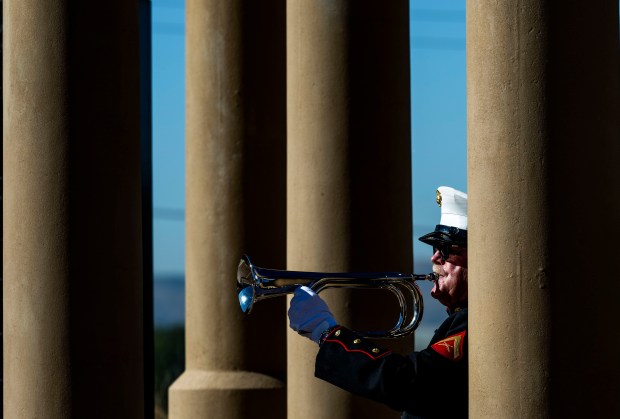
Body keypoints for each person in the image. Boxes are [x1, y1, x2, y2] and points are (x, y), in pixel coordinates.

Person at [288, 186, 468, 419]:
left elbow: (408, 381)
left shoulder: (471, 323)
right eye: (435, 249)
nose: (435, 258)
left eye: (445, 250)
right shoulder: (460, 318)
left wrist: (327, 332)